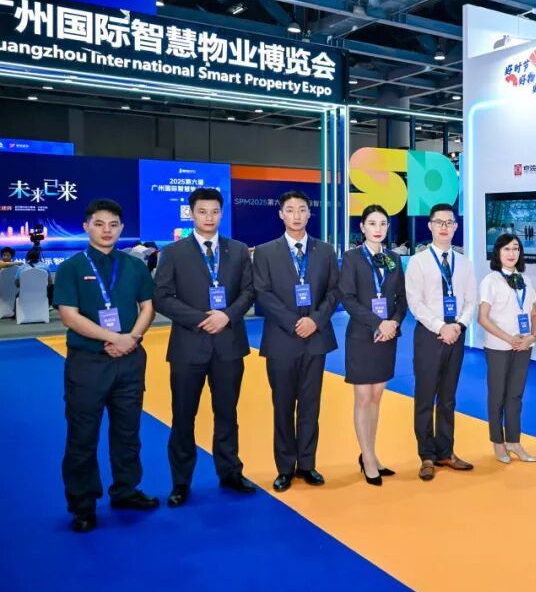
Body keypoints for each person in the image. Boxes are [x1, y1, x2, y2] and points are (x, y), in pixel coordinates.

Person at [54, 199, 159, 533]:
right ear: (86, 227)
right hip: (88, 364)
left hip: (130, 361)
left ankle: (126, 490)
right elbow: (69, 316)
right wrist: (114, 338)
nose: (107, 231)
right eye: (99, 224)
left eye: (113, 225)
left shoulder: (134, 266)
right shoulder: (71, 267)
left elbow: (148, 307)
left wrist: (132, 338)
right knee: (82, 436)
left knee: (128, 432)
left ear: (121, 228)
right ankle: (83, 504)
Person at [153, 187, 256, 507]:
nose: (208, 218)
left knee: (227, 413)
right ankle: (181, 482)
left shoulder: (238, 250)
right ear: (191, 214)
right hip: (188, 346)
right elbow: (162, 297)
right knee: (183, 416)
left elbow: (249, 291)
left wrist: (227, 316)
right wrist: (201, 319)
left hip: (229, 345)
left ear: (221, 213)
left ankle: (230, 472)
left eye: (214, 212)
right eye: (202, 212)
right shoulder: (173, 252)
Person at [253, 190, 339, 493]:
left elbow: (334, 291)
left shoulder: (325, 251)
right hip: (281, 340)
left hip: (316, 339)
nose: (297, 215)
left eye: (302, 209)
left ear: (309, 213)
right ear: (281, 214)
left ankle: (307, 464)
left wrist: (315, 320)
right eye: (290, 210)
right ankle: (284, 468)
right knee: (282, 405)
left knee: (310, 406)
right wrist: (293, 322)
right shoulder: (265, 252)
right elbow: (262, 292)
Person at [404, 204, 477, 481]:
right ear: (430, 226)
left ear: (456, 227)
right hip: (429, 335)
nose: (444, 227)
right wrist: (440, 326)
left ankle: (446, 451)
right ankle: (426, 455)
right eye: (439, 222)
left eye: (449, 222)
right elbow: (415, 303)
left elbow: (471, 300)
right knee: (425, 397)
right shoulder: (418, 262)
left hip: (455, 335)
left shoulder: (465, 263)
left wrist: (458, 326)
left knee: (448, 398)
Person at [339, 204, 407, 486]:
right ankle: (367, 457)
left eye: (382, 224)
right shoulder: (352, 257)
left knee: (377, 397)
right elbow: (347, 297)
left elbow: (402, 298)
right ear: (362, 227)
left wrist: (393, 323)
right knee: (363, 397)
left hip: (387, 337)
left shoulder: (393, 258)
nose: (378, 229)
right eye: (372, 223)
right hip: (362, 335)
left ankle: (372, 452)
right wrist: (378, 323)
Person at [478, 233, 536, 464]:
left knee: (515, 395)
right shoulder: (490, 281)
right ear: (498, 253)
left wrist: (531, 337)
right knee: (497, 395)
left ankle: (514, 441)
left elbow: (534, 315)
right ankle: (498, 442)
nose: (511, 253)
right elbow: (482, 318)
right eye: (506, 249)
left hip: (523, 346)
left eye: (515, 248)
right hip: (498, 347)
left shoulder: (526, 280)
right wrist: (509, 338)